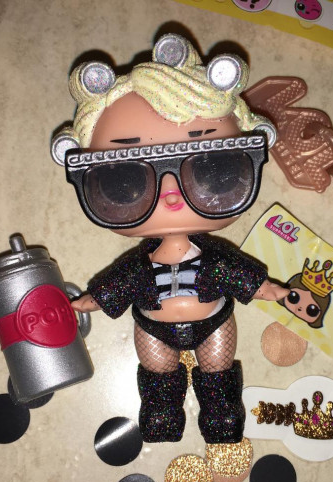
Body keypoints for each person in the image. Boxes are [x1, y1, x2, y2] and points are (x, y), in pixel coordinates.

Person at [51, 34, 288, 444]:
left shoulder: (214, 259)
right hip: (153, 326)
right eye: (125, 179)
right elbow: (113, 289)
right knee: (158, 376)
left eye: (212, 169)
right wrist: (76, 305)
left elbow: (245, 279)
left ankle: (222, 421)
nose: (170, 192)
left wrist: (279, 293)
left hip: (213, 322)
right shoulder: (138, 268)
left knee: (217, 373)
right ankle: (161, 419)